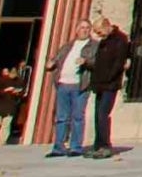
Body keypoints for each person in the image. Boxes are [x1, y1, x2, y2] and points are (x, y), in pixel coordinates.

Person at [84, 16, 130, 159]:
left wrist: (109, 77)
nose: (99, 35)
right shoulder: (105, 41)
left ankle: (105, 146)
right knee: (97, 114)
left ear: (106, 26)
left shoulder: (120, 39)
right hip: (99, 84)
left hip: (110, 84)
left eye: (99, 32)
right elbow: (99, 62)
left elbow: (118, 63)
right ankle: (98, 144)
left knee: (103, 114)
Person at [44, 20, 91, 157]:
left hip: (79, 85)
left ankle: (75, 147)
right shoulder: (67, 46)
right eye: (82, 27)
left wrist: (86, 62)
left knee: (77, 116)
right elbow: (57, 59)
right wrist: (51, 65)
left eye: (87, 28)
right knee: (61, 117)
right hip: (63, 84)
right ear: (76, 30)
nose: (85, 30)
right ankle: (58, 147)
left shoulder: (93, 46)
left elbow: (97, 62)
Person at [0, 63, 23, 145]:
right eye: (12, 72)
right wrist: (5, 90)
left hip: (10, 107)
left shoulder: (19, 81)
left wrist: (17, 92)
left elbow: (22, 92)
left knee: (6, 126)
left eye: (15, 72)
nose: (14, 74)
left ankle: (1, 143)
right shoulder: (1, 80)